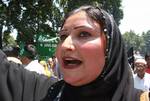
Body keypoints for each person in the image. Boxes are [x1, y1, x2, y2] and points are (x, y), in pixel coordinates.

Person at [0, 5, 149, 101]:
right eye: (63, 36)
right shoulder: (43, 92)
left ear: (111, 47)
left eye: (83, 34)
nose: (65, 45)